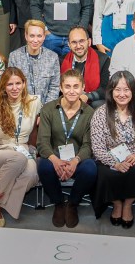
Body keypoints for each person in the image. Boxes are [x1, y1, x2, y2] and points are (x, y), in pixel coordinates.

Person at [0, 67, 40, 228]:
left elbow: (34, 130)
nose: (14, 88)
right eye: (10, 84)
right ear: (4, 87)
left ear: (24, 84)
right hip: (0, 152)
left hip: (23, 148)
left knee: (32, 174)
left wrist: (33, 149)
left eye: (18, 83)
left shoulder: (34, 102)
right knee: (18, 159)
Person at [90, 71, 135, 228]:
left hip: (134, 156)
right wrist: (115, 163)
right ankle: (117, 204)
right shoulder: (100, 113)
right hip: (108, 156)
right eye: (117, 89)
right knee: (106, 174)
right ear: (111, 91)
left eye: (126, 90)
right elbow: (97, 147)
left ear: (133, 91)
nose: (122, 94)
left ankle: (128, 205)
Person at [37, 70, 97, 228]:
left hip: (78, 159)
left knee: (90, 168)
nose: (72, 91)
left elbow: (88, 145)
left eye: (76, 86)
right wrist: (55, 160)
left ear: (83, 88)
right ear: (61, 88)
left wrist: (75, 161)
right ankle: (58, 203)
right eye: (67, 86)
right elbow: (42, 142)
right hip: (54, 158)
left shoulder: (90, 113)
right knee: (43, 166)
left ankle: (72, 204)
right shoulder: (48, 109)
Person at [8, 20, 60, 105]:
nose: (35, 40)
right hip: (21, 106)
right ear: (26, 36)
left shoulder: (53, 57)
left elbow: (54, 87)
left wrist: (45, 110)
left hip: (46, 108)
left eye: (39, 36)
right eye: (32, 36)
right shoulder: (14, 57)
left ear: (44, 36)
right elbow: (12, 87)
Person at [62, 25, 109, 107]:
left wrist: (87, 96)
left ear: (89, 42)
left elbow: (106, 89)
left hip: (92, 102)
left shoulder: (103, 60)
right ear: (69, 45)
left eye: (81, 41)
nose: (78, 46)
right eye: (74, 42)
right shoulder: (62, 61)